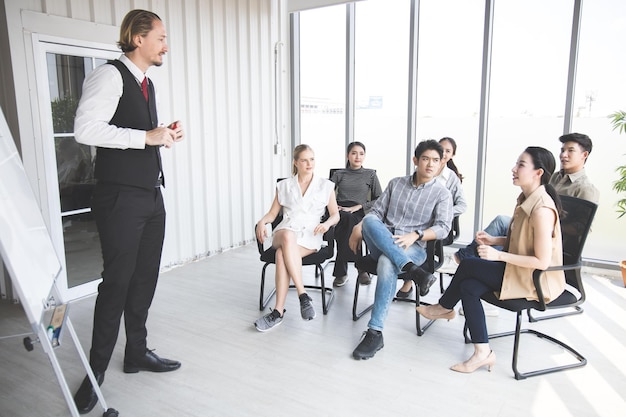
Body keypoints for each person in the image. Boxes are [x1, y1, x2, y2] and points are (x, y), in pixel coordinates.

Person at [72, 9, 184, 414]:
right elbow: (85, 129)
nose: (165, 45)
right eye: (160, 37)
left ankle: (135, 352)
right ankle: (94, 372)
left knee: (144, 281)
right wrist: (146, 136)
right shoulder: (109, 75)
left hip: (151, 197)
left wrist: (162, 135)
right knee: (116, 284)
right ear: (138, 38)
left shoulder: (146, 84)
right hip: (120, 199)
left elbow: (137, 136)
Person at [416, 146, 564, 373]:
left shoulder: (541, 209)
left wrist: (498, 255)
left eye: (521, 165)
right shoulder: (526, 198)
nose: (513, 169)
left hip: (535, 281)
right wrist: (495, 240)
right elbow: (525, 240)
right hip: (518, 271)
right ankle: (482, 353)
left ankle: (444, 307)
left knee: (468, 264)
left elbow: (542, 261)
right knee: (468, 286)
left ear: (539, 173)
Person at [350, 139, 453, 360]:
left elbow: (444, 228)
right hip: (384, 241)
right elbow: (376, 213)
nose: (430, 164)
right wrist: (358, 227)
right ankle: (412, 270)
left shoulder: (442, 194)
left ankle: (375, 332)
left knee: (387, 262)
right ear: (416, 160)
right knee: (367, 221)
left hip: (414, 248)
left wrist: (416, 234)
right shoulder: (396, 183)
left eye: (436, 160)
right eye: (426, 159)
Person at [445, 132, 599, 272]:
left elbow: (582, 230)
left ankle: (465, 260)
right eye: (562, 150)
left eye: (570, 151)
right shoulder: (556, 177)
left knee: (500, 225)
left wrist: (543, 224)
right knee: (501, 222)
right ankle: (472, 261)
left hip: (550, 239)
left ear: (584, 155)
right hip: (533, 225)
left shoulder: (586, 189)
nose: (563, 155)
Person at [254, 144, 340, 332]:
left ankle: (277, 312)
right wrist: (262, 222)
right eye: (304, 160)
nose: (309, 164)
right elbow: (272, 214)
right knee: (286, 234)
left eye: (312, 159)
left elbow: (335, 215)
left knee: (280, 256)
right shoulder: (284, 185)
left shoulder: (326, 186)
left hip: (310, 236)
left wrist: (326, 225)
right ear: (295, 162)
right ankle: (303, 295)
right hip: (285, 230)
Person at [396, 136, 466, 298]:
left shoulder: (451, 178)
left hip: (437, 225)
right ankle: (417, 274)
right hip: (416, 224)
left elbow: (462, 205)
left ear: (451, 155)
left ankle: (410, 279)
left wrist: (443, 212)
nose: (444, 154)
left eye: (448, 151)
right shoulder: (422, 172)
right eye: (442, 150)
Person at [330, 141, 383, 287]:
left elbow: (380, 198)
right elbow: (325, 194)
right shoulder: (339, 174)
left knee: (349, 223)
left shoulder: (370, 174)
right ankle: (361, 268)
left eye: (361, 154)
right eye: (354, 153)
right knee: (346, 220)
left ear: (364, 156)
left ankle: (341, 272)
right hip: (340, 211)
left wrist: (359, 206)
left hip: (359, 212)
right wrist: (335, 207)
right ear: (348, 156)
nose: (357, 157)